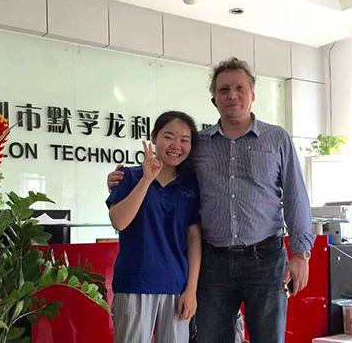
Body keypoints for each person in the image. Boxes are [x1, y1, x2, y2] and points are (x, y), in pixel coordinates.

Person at [107, 57, 314, 343]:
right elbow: (168, 171)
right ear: (214, 99)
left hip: (266, 260)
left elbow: (295, 196)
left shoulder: (276, 139)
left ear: (252, 94)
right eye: (224, 89)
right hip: (214, 263)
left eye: (240, 88)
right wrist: (123, 179)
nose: (232, 95)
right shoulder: (199, 144)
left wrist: (301, 254)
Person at [106, 111, 202, 343]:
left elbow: (193, 238)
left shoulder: (191, 184)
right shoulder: (129, 176)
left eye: (184, 140)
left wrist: (191, 290)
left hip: (176, 285)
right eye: (168, 137)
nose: (176, 145)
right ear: (154, 137)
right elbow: (119, 221)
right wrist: (146, 179)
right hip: (135, 283)